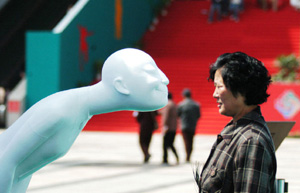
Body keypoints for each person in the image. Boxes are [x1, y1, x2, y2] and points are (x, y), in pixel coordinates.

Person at [0, 48, 169, 193]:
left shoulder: (80, 112)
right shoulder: (59, 111)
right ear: (121, 86)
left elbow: (22, 169)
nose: (164, 79)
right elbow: (5, 161)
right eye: (150, 71)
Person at [194, 52, 276, 192]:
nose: (214, 94)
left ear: (242, 88)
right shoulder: (237, 131)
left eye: (219, 87)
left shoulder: (251, 141)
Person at [177, 88, 201, 163]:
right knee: (191, 141)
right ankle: (189, 155)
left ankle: (187, 155)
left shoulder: (181, 105)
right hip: (192, 125)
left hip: (184, 125)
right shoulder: (196, 105)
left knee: (186, 141)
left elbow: (178, 115)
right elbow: (198, 115)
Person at [161, 92, 179, 165]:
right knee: (171, 144)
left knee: (165, 145)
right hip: (173, 127)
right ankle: (176, 156)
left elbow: (166, 116)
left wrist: (164, 126)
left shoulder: (168, 105)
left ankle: (165, 159)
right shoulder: (174, 104)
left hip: (168, 128)